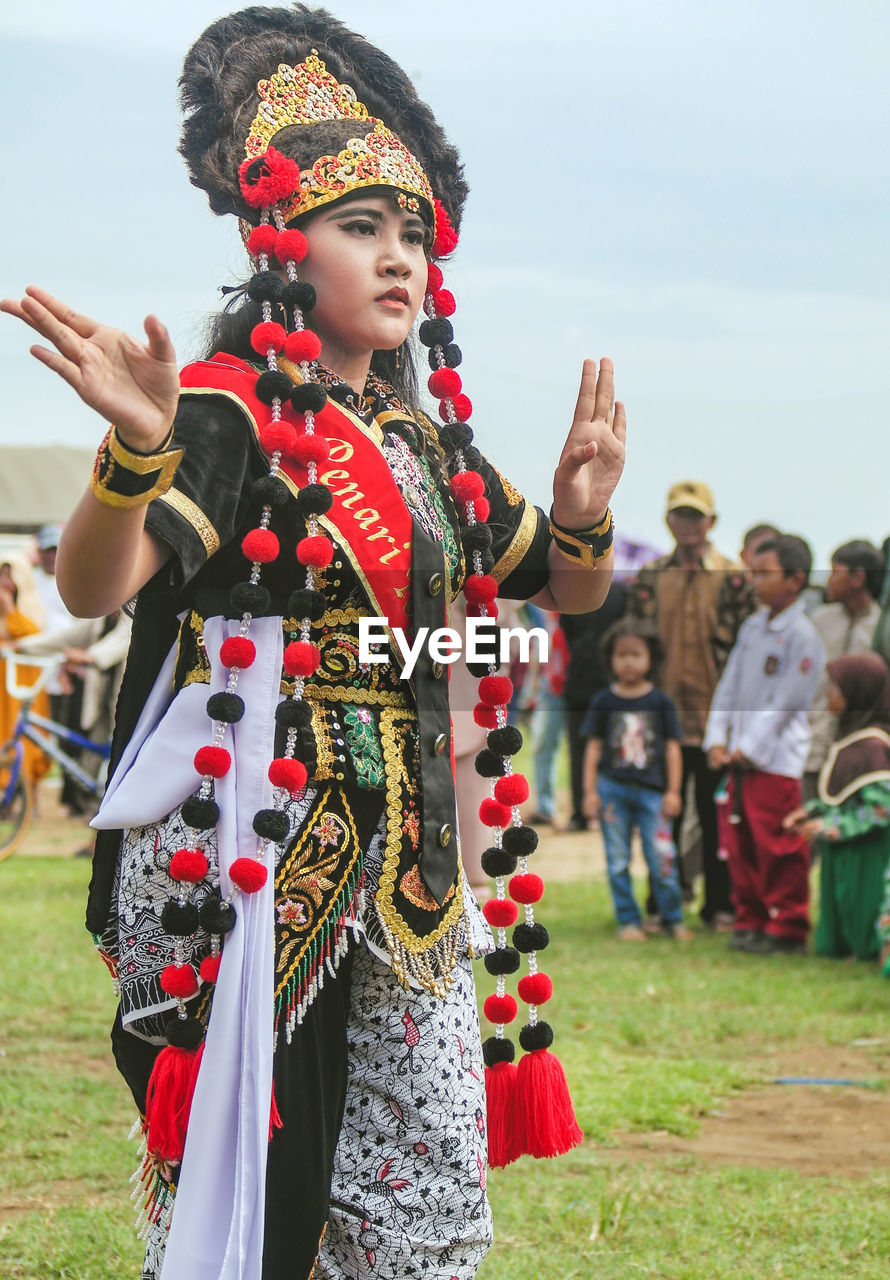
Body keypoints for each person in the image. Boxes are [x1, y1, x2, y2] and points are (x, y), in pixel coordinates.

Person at [2, 8, 626, 1278]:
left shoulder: (426, 443)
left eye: (412, 235)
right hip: (253, 858)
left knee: (416, 1192)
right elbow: (97, 580)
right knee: (271, 1189)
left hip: (412, 853)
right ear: (275, 243)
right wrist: (130, 454)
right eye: (360, 229)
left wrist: (582, 508)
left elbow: (566, 588)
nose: (398, 259)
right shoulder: (228, 412)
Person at [628, 481, 752, 926]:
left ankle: (720, 905)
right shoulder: (649, 577)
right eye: (680, 515)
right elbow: (633, 646)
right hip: (663, 720)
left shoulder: (735, 578)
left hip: (717, 720)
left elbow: (746, 651)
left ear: (711, 522)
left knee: (718, 818)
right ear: (669, 521)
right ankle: (665, 902)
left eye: (696, 515)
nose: (688, 524)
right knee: (664, 818)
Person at [703, 534, 824, 955]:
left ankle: (788, 924)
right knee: (741, 844)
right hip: (741, 759)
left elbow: (787, 702)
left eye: (765, 574)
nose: (755, 582)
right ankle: (751, 917)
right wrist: (718, 739)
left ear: (796, 579)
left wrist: (747, 746)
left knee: (778, 843)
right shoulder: (754, 626)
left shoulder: (803, 636)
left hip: (775, 760)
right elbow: (729, 688)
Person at [582, 618, 691, 941]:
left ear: (651, 658)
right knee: (617, 860)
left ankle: (673, 918)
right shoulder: (603, 701)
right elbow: (593, 749)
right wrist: (589, 792)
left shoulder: (660, 703)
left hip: (653, 794)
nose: (628, 661)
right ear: (610, 659)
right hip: (612, 790)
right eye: (621, 654)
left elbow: (673, 749)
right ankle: (628, 921)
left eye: (636, 654)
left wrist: (673, 791)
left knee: (662, 857)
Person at [785, 653, 890, 961]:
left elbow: (880, 811)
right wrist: (812, 811)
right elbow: (843, 796)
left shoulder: (874, 747)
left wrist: (823, 828)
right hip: (842, 854)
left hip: (865, 857)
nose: (829, 694)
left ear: (859, 692)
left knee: (861, 909)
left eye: (836, 687)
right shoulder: (849, 737)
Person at [802, 540, 883, 802]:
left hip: (856, 742)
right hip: (813, 735)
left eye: (835, 572)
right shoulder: (820, 620)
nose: (830, 580)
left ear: (858, 577)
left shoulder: (880, 628)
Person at [560, 578, 627, 830]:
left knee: (591, 748)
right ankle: (591, 811)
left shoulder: (572, 589)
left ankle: (585, 812)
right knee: (600, 748)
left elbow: (568, 632)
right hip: (591, 681)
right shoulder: (618, 592)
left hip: (595, 679)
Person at [0, 556, 51, 787]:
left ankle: (26, 788)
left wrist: (9, 607)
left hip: (25, 681)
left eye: (9, 575)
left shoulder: (31, 606)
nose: (4, 582)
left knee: (23, 730)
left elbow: (31, 635)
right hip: (3, 682)